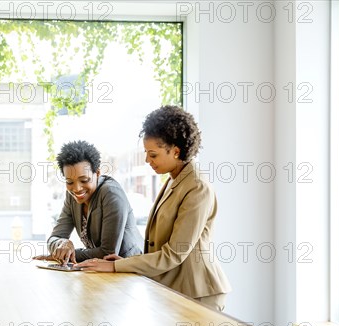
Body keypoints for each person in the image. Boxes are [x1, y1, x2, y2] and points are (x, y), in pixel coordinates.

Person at [76, 106, 232, 311]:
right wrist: (126, 262)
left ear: (176, 151)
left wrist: (116, 266)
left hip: (199, 293)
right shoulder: (174, 180)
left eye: (153, 155)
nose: (147, 160)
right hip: (176, 290)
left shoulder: (196, 187)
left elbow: (173, 255)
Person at [39, 140, 143, 264]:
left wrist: (67, 254)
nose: (76, 188)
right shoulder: (71, 196)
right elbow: (54, 237)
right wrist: (61, 244)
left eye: (84, 180)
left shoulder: (111, 193)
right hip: (101, 271)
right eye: (70, 182)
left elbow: (108, 252)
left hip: (130, 271)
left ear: (97, 173)